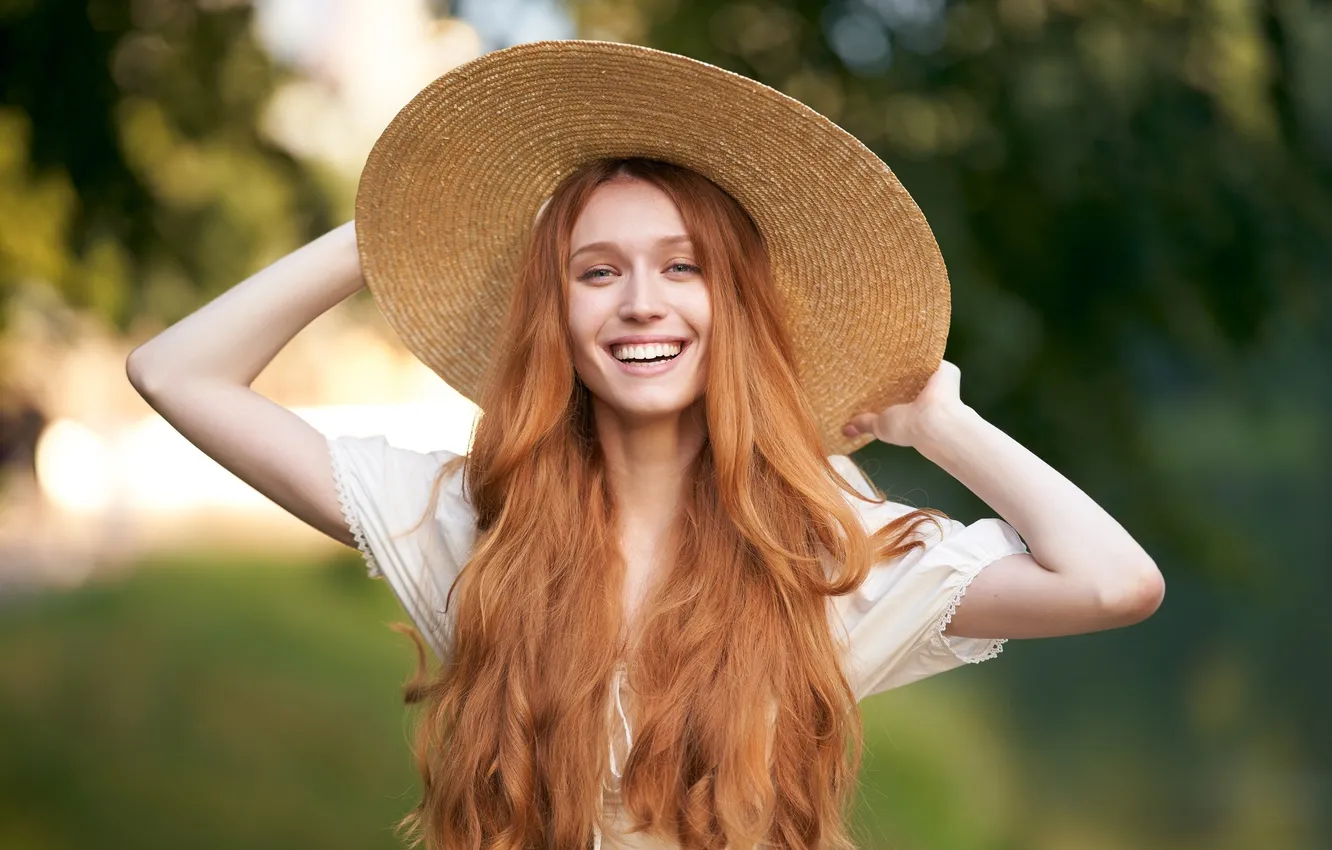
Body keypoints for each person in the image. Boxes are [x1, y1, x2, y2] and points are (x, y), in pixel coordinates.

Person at [126, 41, 1164, 850]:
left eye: (682, 266)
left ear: (734, 304)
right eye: (597, 272)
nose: (641, 304)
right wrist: (386, 223)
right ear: (559, 313)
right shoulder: (468, 528)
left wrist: (934, 421)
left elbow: (1116, 583)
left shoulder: (826, 559)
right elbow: (177, 372)